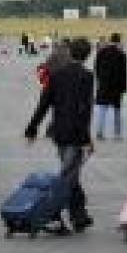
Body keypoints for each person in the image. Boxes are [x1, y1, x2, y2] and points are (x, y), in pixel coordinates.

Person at [23, 36, 95, 232]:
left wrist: (32, 128)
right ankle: (50, 213)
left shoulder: (56, 75)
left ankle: (79, 215)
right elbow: (84, 110)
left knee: (70, 174)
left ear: (70, 53)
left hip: (59, 131)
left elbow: (44, 103)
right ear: (88, 55)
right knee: (66, 178)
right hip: (75, 134)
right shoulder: (87, 77)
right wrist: (87, 139)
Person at [93, 33, 127, 140]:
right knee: (117, 111)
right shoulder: (121, 54)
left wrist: (100, 80)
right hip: (116, 86)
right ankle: (117, 134)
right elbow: (123, 73)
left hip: (104, 84)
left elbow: (96, 68)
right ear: (119, 41)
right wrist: (123, 87)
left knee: (102, 109)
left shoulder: (101, 52)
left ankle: (99, 132)